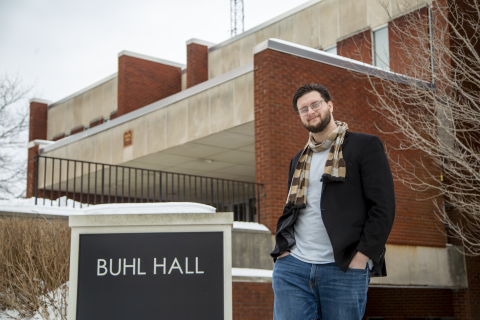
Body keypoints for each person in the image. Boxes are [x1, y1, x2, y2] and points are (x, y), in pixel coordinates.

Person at [270, 83, 395, 320]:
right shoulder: (298, 159)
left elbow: (383, 208)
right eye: (303, 109)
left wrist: (362, 257)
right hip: (294, 266)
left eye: (315, 104)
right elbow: (291, 210)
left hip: (344, 267)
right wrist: (283, 252)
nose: (310, 111)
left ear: (329, 105)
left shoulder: (364, 146)